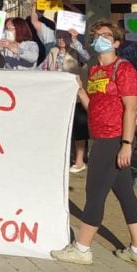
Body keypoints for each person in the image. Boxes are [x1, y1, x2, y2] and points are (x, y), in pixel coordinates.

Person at [52, 20, 137, 267]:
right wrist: (81, 91)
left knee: (94, 193)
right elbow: (94, 108)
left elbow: (130, 108)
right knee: (125, 193)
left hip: (114, 139)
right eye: (96, 35)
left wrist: (126, 143)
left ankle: (82, 248)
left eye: (106, 35)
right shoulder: (95, 70)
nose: (99, 39)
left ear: (116, 42)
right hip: (102, 135)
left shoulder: (124, 69)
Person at [41, 30, 89, 173]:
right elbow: (43, 68)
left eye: (65, 37)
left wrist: (75, 41)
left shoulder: (76, 51)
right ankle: (64, 158)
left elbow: (87, 58)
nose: (61, 39)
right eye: (59, 37)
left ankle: (80, 161)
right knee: (61, 128)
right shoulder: (52, 51)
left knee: (79, 128)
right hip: (58, 97)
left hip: (76, 96)